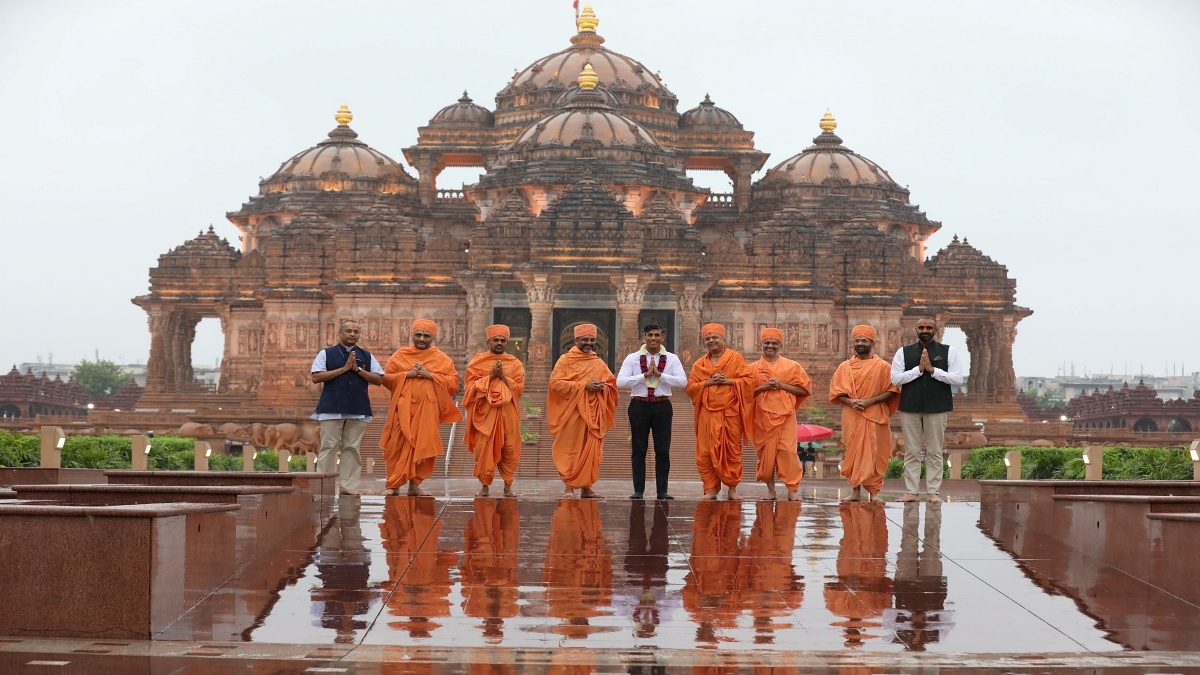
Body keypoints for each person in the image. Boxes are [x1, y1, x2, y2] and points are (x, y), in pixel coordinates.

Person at [380, 319, 462, 496]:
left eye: (426, 336)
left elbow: (453, 383)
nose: (422, 339)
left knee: (423, 445)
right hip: (401, 410)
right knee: (397, 446)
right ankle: (394, 484)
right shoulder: (400, 355)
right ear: (412, 335)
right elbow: (386, 378)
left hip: (427, 411)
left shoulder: (441, 359)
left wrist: (430, 375)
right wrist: (406, 374)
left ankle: (415, 485)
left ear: (433, 338)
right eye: (418, 335)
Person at [890, 318, 964, 503]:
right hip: (910, 406)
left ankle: (933, 491)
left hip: (937, 407)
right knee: (911, 451)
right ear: (916, 329)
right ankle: (911, 492)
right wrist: (917, 370)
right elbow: (895, 379)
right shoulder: (903, 352)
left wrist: (933, 370)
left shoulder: (948, 351)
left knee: (935, 451)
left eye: (929, 327)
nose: (925, 330)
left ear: (936, 330)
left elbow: (957, 379)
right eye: (921, 327)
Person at [310, 319, 384, 496]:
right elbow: (316, 377)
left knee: (352, 447)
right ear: (340, 333)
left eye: (356, 332)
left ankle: (349, 486)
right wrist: (344, 369)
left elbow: (379, 379)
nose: (352, 334)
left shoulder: (367, 355)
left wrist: (358, 370)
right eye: (349, 331)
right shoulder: (326, 354)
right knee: (329, 446)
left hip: (358, 407)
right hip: (331, 407)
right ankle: (323, 485)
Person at [615, 323, 687, 500]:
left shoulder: (671, 359)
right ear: (644, 337)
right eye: (650, 335)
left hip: (662, 405)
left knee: (662, 450)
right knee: (639, 449)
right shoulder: (632, 358)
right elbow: (620, 383)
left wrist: (661, 375)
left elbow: (683, 382)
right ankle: (638, 490)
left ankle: (662, 490)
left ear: (662, 337)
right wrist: (644, 375)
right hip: (639, 405)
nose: (653, 338)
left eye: (657, 335)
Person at [829, 324, 899, 502]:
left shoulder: (883, 366)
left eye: (864, 340)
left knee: (876, 453)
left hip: (875, 413)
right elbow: (836, 392)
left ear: (872, 343)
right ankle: (855, 491)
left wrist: (870, 401)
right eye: (857, 340)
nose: (860, 343)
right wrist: (851, 402)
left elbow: (893, 390)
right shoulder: (844, 367)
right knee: (852, 452)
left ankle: (874, 492)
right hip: (852, 414)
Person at [547, 323, 617, 499]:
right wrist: (583, 385)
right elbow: (555, 384)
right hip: (572, 413)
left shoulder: (598, 363)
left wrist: (602, 387)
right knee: (571, 449)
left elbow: (611, 383)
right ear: (576, 340)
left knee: (591, 451)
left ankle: (587, 487)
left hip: (593, 415)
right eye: (585, 339)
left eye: (592, 340)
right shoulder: (565, 360)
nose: (589, 342)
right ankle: (569, 487)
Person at [686, 323, 754, 501]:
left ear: (724, 339)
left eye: (715, 337)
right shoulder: (699, 364)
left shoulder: (736, 358)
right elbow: (691, 388)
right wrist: (708, 382)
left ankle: (732, 489)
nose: (711, 341)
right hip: (707, 414)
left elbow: (749, 381)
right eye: (707, 338)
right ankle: (710, 489)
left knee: (731, 450)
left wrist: (729, 381)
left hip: (730, 412)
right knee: (705, 452)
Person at [463, 324, 525, 498]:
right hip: (486, 415)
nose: (499, 343)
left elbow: (519, 389)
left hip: (508, 414)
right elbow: (469, 388)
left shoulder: (515, 364)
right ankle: (484, 487)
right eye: (495, 340)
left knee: (510, 449)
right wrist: (490, 377)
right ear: (488, 341)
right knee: (484, 449)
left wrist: (503, 377)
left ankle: (508, 486)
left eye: (502, 340)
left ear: (507, 343)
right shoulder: (477, 362)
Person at [751, 327, 812, 501]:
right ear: (761, 344)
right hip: (761, 418)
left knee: (788, 452)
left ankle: (792, 490)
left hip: (785, 417)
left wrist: (782, 386)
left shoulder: (792, 366)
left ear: (780, 345)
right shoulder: (752, 369)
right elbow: (744, 393)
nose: (770, 346)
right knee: (765, 455)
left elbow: (804, 389)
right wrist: (764, 387)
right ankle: (771, 491)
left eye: (774, 343)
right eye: (767, 343)